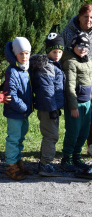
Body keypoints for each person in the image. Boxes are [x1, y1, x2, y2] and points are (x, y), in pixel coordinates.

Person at [61, 4, 92, 157]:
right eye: (85, 16)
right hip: (72, 82)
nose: (88, 20)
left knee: (91, 114)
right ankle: (72, 147)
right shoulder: (67, 32)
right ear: (79, 16)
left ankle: (90, 144)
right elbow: (59, 53)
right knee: (74, 114)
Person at [30, 33, 65, 177]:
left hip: (52, 107)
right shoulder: (46, 67)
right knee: (51, 136)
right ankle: (45, 165)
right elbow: (47, 91)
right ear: (48, 51)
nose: (57, 55)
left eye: (60, 52)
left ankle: (44, 162)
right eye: (54, 52)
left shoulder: (54, 66)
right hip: (47, 108)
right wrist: (52, 109)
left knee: (50, 135)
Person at [60, 32, 92, 172]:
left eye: (86, 46)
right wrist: (73, 106)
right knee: (73, 131)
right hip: (75, 104)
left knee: (84, 131)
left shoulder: (87, 61)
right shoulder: (70, 62)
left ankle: (77, 156)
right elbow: (69, 86)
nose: (83, 49)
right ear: (74, 45)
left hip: (87, 103)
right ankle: (66, 158)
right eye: (80, 45)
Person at [3, 37, 33, 181]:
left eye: (27, 53)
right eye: (21, 53)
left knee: (20, 138)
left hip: (24, 112)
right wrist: (24, 108)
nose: (24, 56)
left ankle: (17, 160)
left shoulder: (25, 69)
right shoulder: (12, 71)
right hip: (15, 112)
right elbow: (11, 94)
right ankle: (10, 165)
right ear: (15, 54)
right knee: (13, 138)